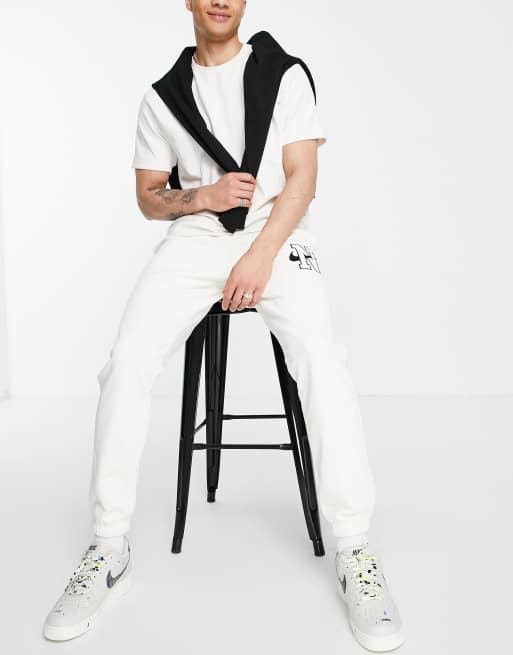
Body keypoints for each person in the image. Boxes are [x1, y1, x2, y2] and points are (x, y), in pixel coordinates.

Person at [43, 1, 405, 651]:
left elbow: (303, 178)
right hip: (197, 239)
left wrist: (259, 256)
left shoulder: (283, 73)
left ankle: (354, 549)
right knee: (127, 362)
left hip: (277, 236)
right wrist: (202, 197)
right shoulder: (162, 98)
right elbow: (148, 195)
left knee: (322, 360)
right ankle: (107, 547)